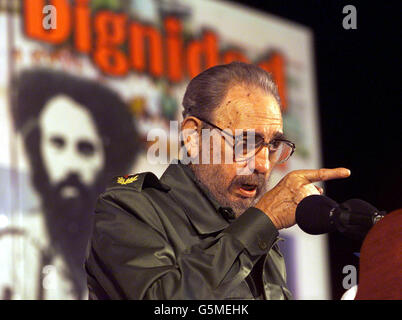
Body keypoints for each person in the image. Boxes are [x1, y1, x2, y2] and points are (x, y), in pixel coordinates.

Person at [85, 62, 350, 300]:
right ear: (192, 136)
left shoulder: (259, 234)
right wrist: (262, 221)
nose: (263, 164)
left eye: (272, 146)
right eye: (245, 141)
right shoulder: (127, 208)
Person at [7, 69, 139, 299]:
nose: (70, 165)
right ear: (39, 150)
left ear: (105, 161)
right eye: (57, 144)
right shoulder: (13, 250)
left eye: (85, 149)